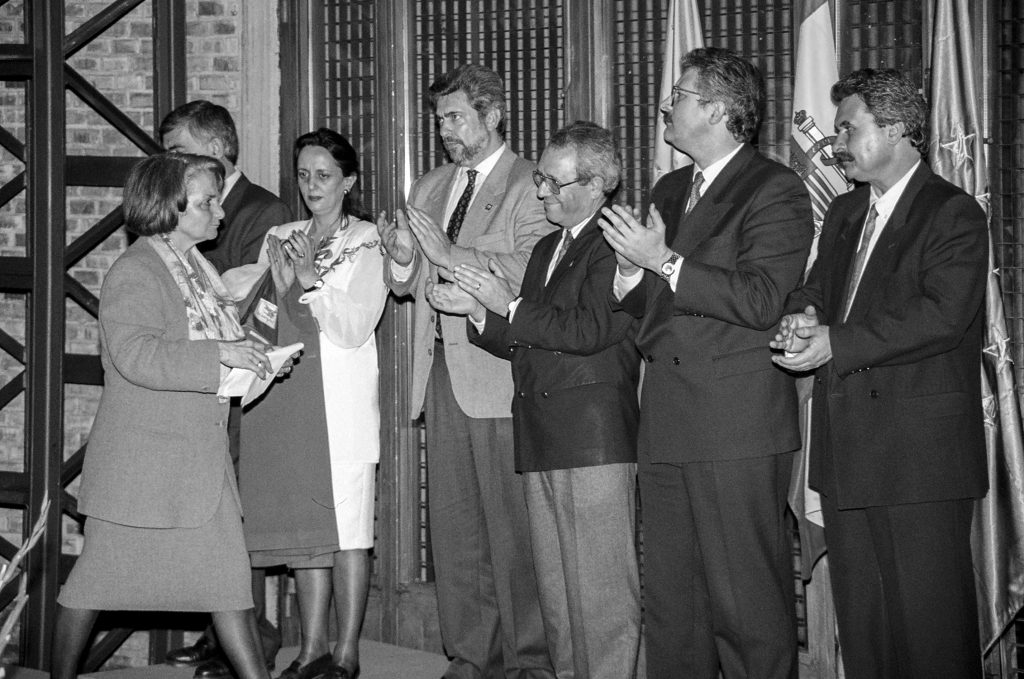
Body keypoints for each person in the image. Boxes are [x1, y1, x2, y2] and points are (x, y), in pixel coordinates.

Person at [599, 47, 813, 679]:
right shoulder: (670, 186)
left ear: (719, 111)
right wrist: (626, 272)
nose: (667, 105)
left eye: (681, 96)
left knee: (745, 604)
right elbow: (652, 300)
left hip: (735, 422)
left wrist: (662, 260)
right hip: (666, 414)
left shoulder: (774, 188)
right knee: (674, 603)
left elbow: (760, 298)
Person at [771, 68, 988, 678]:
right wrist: (800, 318)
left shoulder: (953, 212)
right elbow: (815, 290)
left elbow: (942, 315)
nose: (836, 143)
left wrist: (833, 342)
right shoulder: (843, 212)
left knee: (930, 633)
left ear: (895, 129)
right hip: (847, 453)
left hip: (920, 459)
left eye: (849, 127)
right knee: (865, 632)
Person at [50, 152, 278, 679]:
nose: (220, 211)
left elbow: (212, 339)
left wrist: (250, 355)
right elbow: (136, 356)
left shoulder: (198, 268)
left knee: (228, 585)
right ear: (170, 209)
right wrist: (221, 354)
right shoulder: (136, 272)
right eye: (206, 202)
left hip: (196, 461)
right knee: (92, 586)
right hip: (144, 469)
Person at [429, 121, 641, 679]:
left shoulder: (617, 241)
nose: (541, 190)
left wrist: (510, 306)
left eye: (552, 181)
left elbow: (590, 329)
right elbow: (525, 339)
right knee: (558, 595)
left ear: (597, 185)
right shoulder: (550, 244)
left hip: (593, 435)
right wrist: (478, 311)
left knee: (601, 594)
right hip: (542, 427)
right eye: (540, 179)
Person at [377, 64, 556, 679]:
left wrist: (452, 255)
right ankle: (471, 655)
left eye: (455, 116)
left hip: (500, 375)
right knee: (454, 530)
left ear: (494, 114)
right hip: (439, 375)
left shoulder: (532, 181)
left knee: (513, 531)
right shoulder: (428, 187)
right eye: (439, 119)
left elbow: (535, 266)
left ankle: (530, 661)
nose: (445, 129)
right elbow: (407, 283)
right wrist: (401, 261)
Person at [238, 128, 386, 679]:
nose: (311, 186)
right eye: (303, 175)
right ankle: (312, 647)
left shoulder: (368, 239)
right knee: (307, 531)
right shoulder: (280, 233)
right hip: (289, 398)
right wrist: (275, 290)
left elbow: (352, 328)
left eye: (324, 175)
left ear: (348, 181)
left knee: (347, 531)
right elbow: (260, 322)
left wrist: (309, 279)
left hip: (340, 402)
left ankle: (346, 653)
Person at [161, 101, 292, 675]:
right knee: (208, 512)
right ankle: (220, 636)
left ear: (213, 150)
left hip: (242, 387)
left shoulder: (262, 208)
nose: (166, 163)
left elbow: (256, 299)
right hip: (203, 380)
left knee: (239, 516)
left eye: (176, 151)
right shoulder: (180, 204)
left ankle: (252, 640)